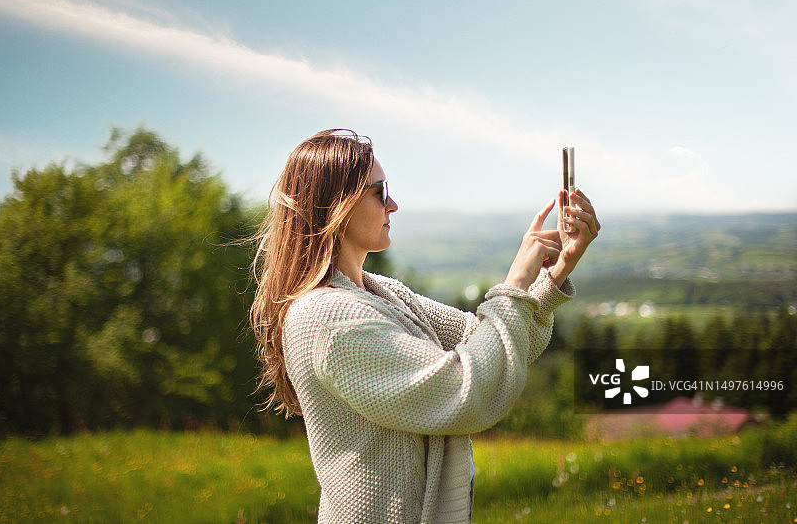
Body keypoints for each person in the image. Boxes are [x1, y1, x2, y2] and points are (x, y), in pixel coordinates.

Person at [249, 129, 600, 523]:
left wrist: (552, 276)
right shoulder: (328, 319)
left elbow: (495, 344)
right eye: (379, 192)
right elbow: (464, 391)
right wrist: (516, 281)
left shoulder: (384, 293)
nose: (393, 204)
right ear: (337, 207)